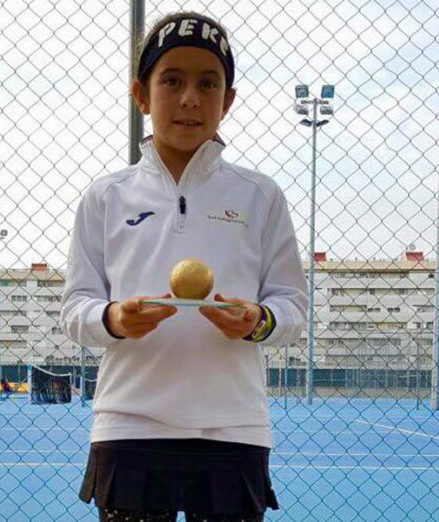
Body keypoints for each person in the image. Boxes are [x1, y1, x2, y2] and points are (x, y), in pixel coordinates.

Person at [60, 11, 307, 522]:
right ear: (142, 95)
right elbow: (75, 308)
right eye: (171, 80)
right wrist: (113, 320)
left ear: (228, 101)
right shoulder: (106, 196)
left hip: (233, 429)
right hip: (129, 426)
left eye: (207, 82)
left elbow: (292, 307)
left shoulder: (260, 196)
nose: (190, 97)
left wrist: (259, 322)